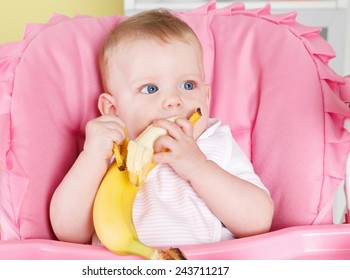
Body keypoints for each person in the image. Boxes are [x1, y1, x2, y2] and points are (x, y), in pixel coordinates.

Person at [50, 9, 274, 246]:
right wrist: (92, 155)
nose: (174, 100)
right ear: (113, 109)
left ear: (206, 98)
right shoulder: (110, 151)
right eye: (150, 88)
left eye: (188, 85)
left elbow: (258, 221)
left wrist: (198, 167)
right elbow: (68, 232)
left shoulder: (214, 142)